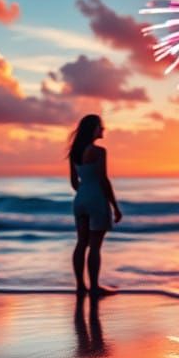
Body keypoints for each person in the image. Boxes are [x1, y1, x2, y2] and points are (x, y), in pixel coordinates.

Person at [67, 114, 122, 295]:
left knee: (81, 243)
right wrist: (115, 206)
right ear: (93, 129)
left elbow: (74, 183)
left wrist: (85, 193)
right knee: (95, 246)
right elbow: (104, 180)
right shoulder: (99, 152)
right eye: (100, 126)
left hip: (81, 199)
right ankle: (95, 287)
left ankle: (80, 286)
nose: (103, 129)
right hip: (96, 198)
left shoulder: (74, 152)